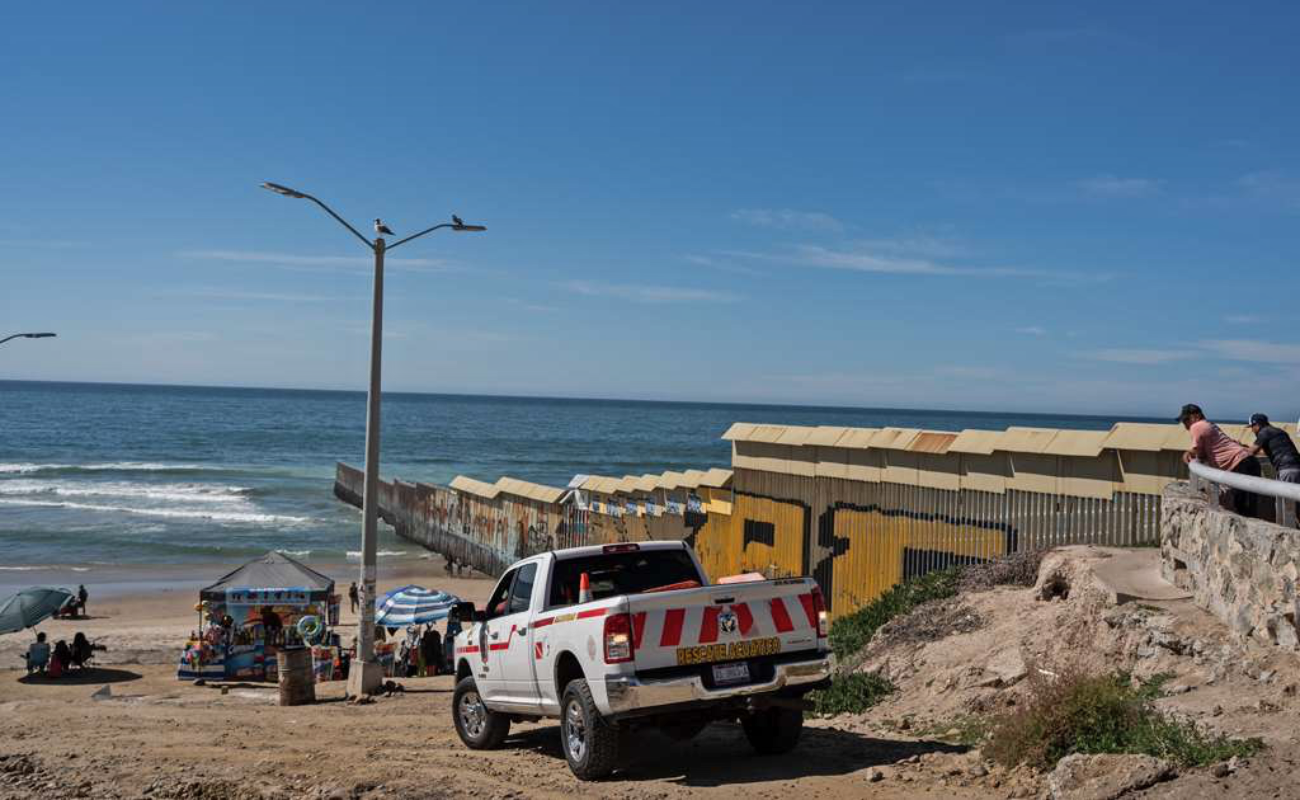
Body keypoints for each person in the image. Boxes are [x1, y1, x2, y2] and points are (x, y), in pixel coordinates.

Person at [1180, 404, 1260, 517]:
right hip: (1247, 460)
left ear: (1195, 416)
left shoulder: (1197, 426)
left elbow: (1196, 451)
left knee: (1242, 506)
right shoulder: (1210, 425)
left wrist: (1187, 453)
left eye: (1186, 420)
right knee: (1249, 506)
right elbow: (1202, 454)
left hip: (1240, 463)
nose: (1185, 425)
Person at [1245, 413, 1300, 523]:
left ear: (1257, 425)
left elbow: (1251, 452)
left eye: (1252, 427)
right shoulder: (1279, 432)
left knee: (1285, 508)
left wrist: (1238, 447)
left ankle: (1287, 532)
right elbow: (1272, 450)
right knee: (1296, 506)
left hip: (1287, 470)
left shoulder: (1264, 432)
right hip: (1296, 468)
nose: (1252, 430)